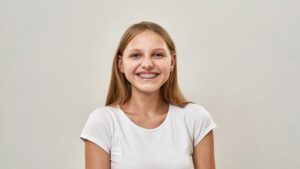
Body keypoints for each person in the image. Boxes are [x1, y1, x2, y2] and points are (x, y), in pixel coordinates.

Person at [80, 21, 217, 169]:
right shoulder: (103, 122)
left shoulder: (194, 118)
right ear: (121, 64)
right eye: (136, 55)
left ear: (172, 62)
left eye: (157, 55)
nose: (147, 64)